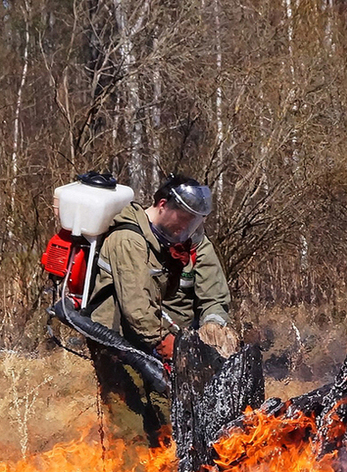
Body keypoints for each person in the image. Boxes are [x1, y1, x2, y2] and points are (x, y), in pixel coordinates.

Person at [86, 174, 236, 449]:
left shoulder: (186, 239)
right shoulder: (128, 240)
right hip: (117, 342)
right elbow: (138, 311)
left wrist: (212, 326)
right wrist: (170, 347)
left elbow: (214, 293)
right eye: (184, 217)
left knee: (167, 415)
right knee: (129, 422)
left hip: (157, 338)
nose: (188, 226)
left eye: (194, 220)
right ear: (163, 205)